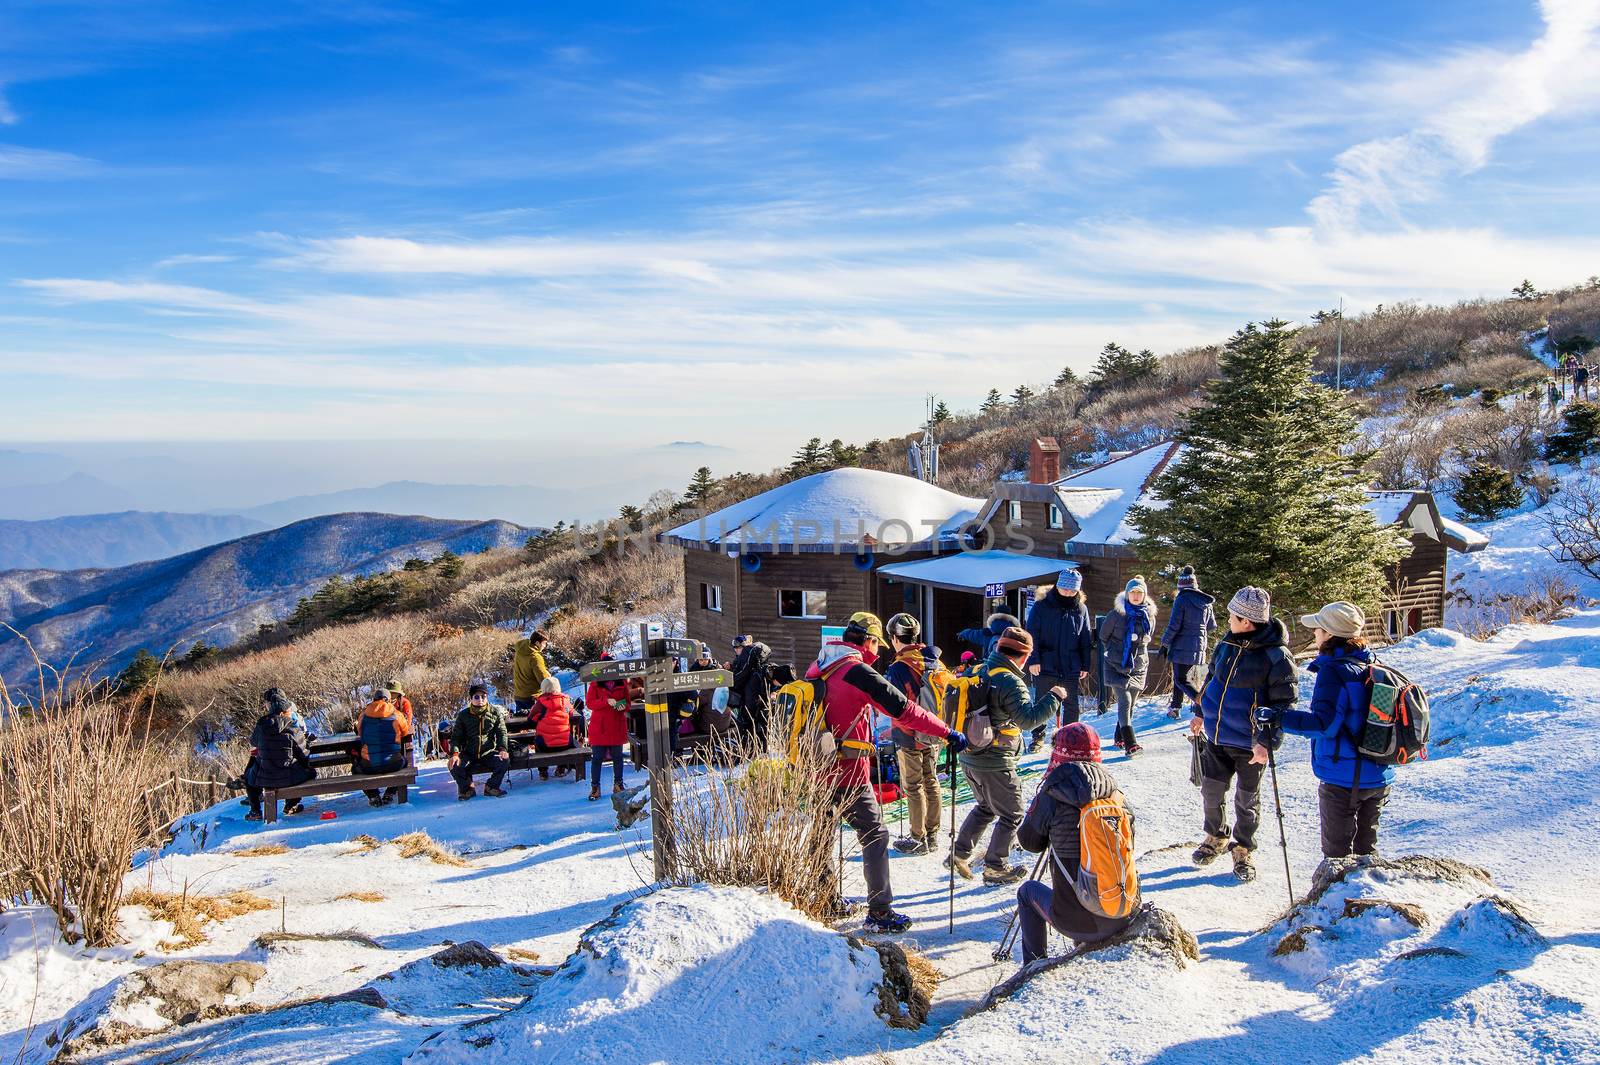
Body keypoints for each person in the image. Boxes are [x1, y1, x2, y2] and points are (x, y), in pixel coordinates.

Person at [806, 611, 967, 933]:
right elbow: (905, 710)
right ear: (867, 642)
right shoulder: (857, 672)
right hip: (848, 771)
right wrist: (946, 732)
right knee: (876, 835)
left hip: (815, 766)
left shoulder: (819, 665)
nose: (878, 651)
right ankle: (880, 913)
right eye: (876, 644)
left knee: (821, 835)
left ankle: (825, 899)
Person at [1261, 602, 1394, 862]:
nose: (1314, 634)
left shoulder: (1334, 672)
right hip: (1379, 776)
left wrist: (1278, 717)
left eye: (1318, 629)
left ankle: (1338, 901)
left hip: (1343, 779)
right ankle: (1365, 900)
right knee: (1366, 855)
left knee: (1337, 858)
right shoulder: (1372, 666)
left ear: (1330, 634)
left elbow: (1324, 725)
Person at [1189, 586, 1297, 882]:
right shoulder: (1228, 643)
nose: (1228, 622)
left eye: (1233, 617)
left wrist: (1267, 742)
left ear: (1247, 622)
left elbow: (1283, 703)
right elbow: (1211, 679)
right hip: (1217, 736)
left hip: (1250, 744)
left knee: (1246, 801)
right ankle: (1215, 836)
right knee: (1211, 791)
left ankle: (1243, 848)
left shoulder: (1277, 657)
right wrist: (1200, 712)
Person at [948, 626, 1064, 884]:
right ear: (1024, 655)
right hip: (994, 760)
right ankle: (995, 867)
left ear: (998, 648)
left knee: (986, 807)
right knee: (1013, 814)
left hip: (969, 755)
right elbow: (1028, 720)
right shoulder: (1010, 681)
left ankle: (958, 854)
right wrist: (1054, 698)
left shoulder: (977, 669)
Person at [1015, 722, 1139, 963]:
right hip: (1123, 911)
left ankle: (1033, 967)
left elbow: (1029, 842)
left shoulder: (1052, 794)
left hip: (1075, 921)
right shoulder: (1116, 797)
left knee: (1027, 892)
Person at [882, 613, 946, 855]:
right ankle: (933, 835)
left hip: (908, 733)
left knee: (913, 785)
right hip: (934, 730)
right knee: (931, 781)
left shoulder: (899, 668)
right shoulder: (935, 661)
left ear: (895, 638)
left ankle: (917, 837)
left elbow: (895, 705)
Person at [1024, 568, 1095, 751]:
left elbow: (1085, 638)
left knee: (1071, 704)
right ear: (1058, 586)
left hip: (1070, 664)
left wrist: (1085, 664)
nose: (1069, 593)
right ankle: (1038, 736)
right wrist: (1033, 660)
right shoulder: (1042, 606)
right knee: (1042, 701)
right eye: (1065, 589)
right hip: (1045, 663)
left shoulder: (1081, 608)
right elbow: (1032, 634)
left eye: (1073, 590)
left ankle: (1070, 737)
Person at [1098, 576, 1158, 755]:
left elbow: (1147, 638)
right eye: (1132, 592)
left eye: (1139, 592)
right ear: (1127, 593)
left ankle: (1119, 736)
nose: (1136, 596)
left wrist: (1139, 644)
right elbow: (1103, 636)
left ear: (1144, 594)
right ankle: (1131, 744)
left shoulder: (1149, 615)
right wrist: (1114, 651)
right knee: (1125, 702)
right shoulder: (1116, 614)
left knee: (1131, 704)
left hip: (1138, 664)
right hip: (1116, 663)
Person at [244, 689, 314, 821]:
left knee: (249, 774)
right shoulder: (292, 726)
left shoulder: (261, 724)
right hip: (288, 775)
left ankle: (255, 811)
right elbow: (303, 753)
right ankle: (291, 805)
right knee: (308, 772)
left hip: (264, 776)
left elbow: (253, 742)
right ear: (284, 712)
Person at [1160, 566, 1217, 721]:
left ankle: (1202, 705)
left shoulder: (1182, 599)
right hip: (1199, 645)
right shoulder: (1206, 602)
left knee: (1181, 679)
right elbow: (1211, 626)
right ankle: (1175, 707)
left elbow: (1174, 625)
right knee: (1183, 676)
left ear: (1180, 586)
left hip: (1181, 645)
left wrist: (1164, 643)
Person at [449, 683, 511, 800]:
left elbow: (502, 732)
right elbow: (456, 737)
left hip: (488, 752)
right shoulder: (463, 715)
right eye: (476, 697)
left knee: (504, 761)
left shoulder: (494, 712)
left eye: (483, 696)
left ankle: (491, 787)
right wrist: (455, 754)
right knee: (454, 765)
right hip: (468, 753)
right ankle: (467, 789)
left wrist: (502, 749)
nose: (480, 700)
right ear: (471, 699)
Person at [354, 687, 412, 806]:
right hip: (393, 763)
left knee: (355, 769)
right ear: (389, 700)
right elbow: (405, 732)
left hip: (369, 765)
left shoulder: (364, 715)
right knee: (405, 762)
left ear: (374, 699)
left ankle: (373, 795)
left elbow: (359, 732)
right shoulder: (396, 714)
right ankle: (390, 792)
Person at [586, 657, 631, 801]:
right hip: (600, 726)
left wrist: (624, 706)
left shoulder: (622, 682)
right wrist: (606, 701)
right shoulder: (595, 684)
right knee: (597, 758)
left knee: (618, 757)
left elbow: (628, 702)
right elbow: (590, 703)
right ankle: (595, 787)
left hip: (617, 724)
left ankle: (618, 784)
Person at [729, 635, 773, 747]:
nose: (736, 650)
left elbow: (739, 677)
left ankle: (748, 751)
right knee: (760, 726)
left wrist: (730, 681)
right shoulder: (758, 663)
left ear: (743, 647)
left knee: (746, 725)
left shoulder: (745, 658)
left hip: (749, 701)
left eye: (738, 647)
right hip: (760, 699)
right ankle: (761, 749)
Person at [529, 676, 576, 778]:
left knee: (538, 742)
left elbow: (531, 718)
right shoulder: (565, 701)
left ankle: (543, 771)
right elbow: (572, 713)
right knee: (566, 738)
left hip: (545, 745)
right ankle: (561, 767)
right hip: (565, 743)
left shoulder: (540, 703)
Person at [512, 630, 552, 712]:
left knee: (522, 723)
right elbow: (544, 680)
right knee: (535, 723)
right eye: (544, 643)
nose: (545, 646)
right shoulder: (535, 657)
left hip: (518, 695)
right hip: (532, 697)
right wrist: (549, 675)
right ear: (537, 643)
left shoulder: (520, 651)